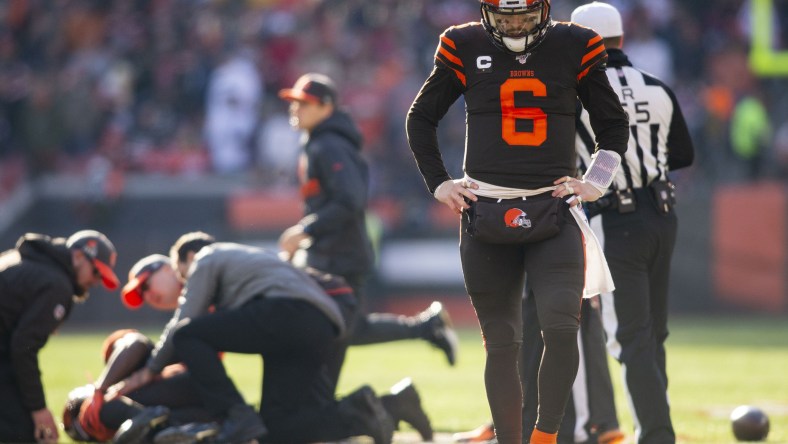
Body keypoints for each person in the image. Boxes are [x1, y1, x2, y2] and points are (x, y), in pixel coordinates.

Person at [405, 0, 630, 442]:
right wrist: (439, 183)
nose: (513, 25)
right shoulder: (462, 43)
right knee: (502, 341)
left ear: (543, 11)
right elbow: (420, 118)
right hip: (486, 210)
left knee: (563, 328)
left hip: (554, 207)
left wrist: (595, 181)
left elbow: (613, 125)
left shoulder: (576, 44)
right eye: (504, 16)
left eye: (523, 16)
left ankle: (545, 435)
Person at [116, 233, 430, 444]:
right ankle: (370, 411)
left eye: (182, 274)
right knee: (278, 428)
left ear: (189, 256)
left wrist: (150, 370)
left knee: (186, 333)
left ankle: (236, 415)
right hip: (318, 328)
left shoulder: (208, 257)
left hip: (288, 315)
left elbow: (186, 320)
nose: (186, 284)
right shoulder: (250, 269)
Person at [277, 72, 459, 376]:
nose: (296, 109)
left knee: (334, 330)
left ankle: (323, 404)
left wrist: (306, 230)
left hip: (340, 256)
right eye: (294, 103)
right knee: (343, 329)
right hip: (330, 253)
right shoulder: (318, 143)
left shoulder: (329, 146)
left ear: (326, 107)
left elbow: (350, 199)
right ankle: (427, 328)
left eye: (304, 103)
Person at [571, 3, 694, 443]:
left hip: (615, 220)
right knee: (652, 333)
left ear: (582, 42)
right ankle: (657, 428)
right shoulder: (657, 87)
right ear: (621, 39)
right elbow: (683, 155)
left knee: (628, 338)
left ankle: (657, 434)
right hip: (663, 216)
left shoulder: (577, 94)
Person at [0, 230, 120, 444]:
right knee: (25, 432)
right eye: (96, 272)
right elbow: (22, 348)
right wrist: (38, 409)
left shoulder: (20, 261)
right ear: (78, 256)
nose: (96, 282)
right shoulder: (57, 285)